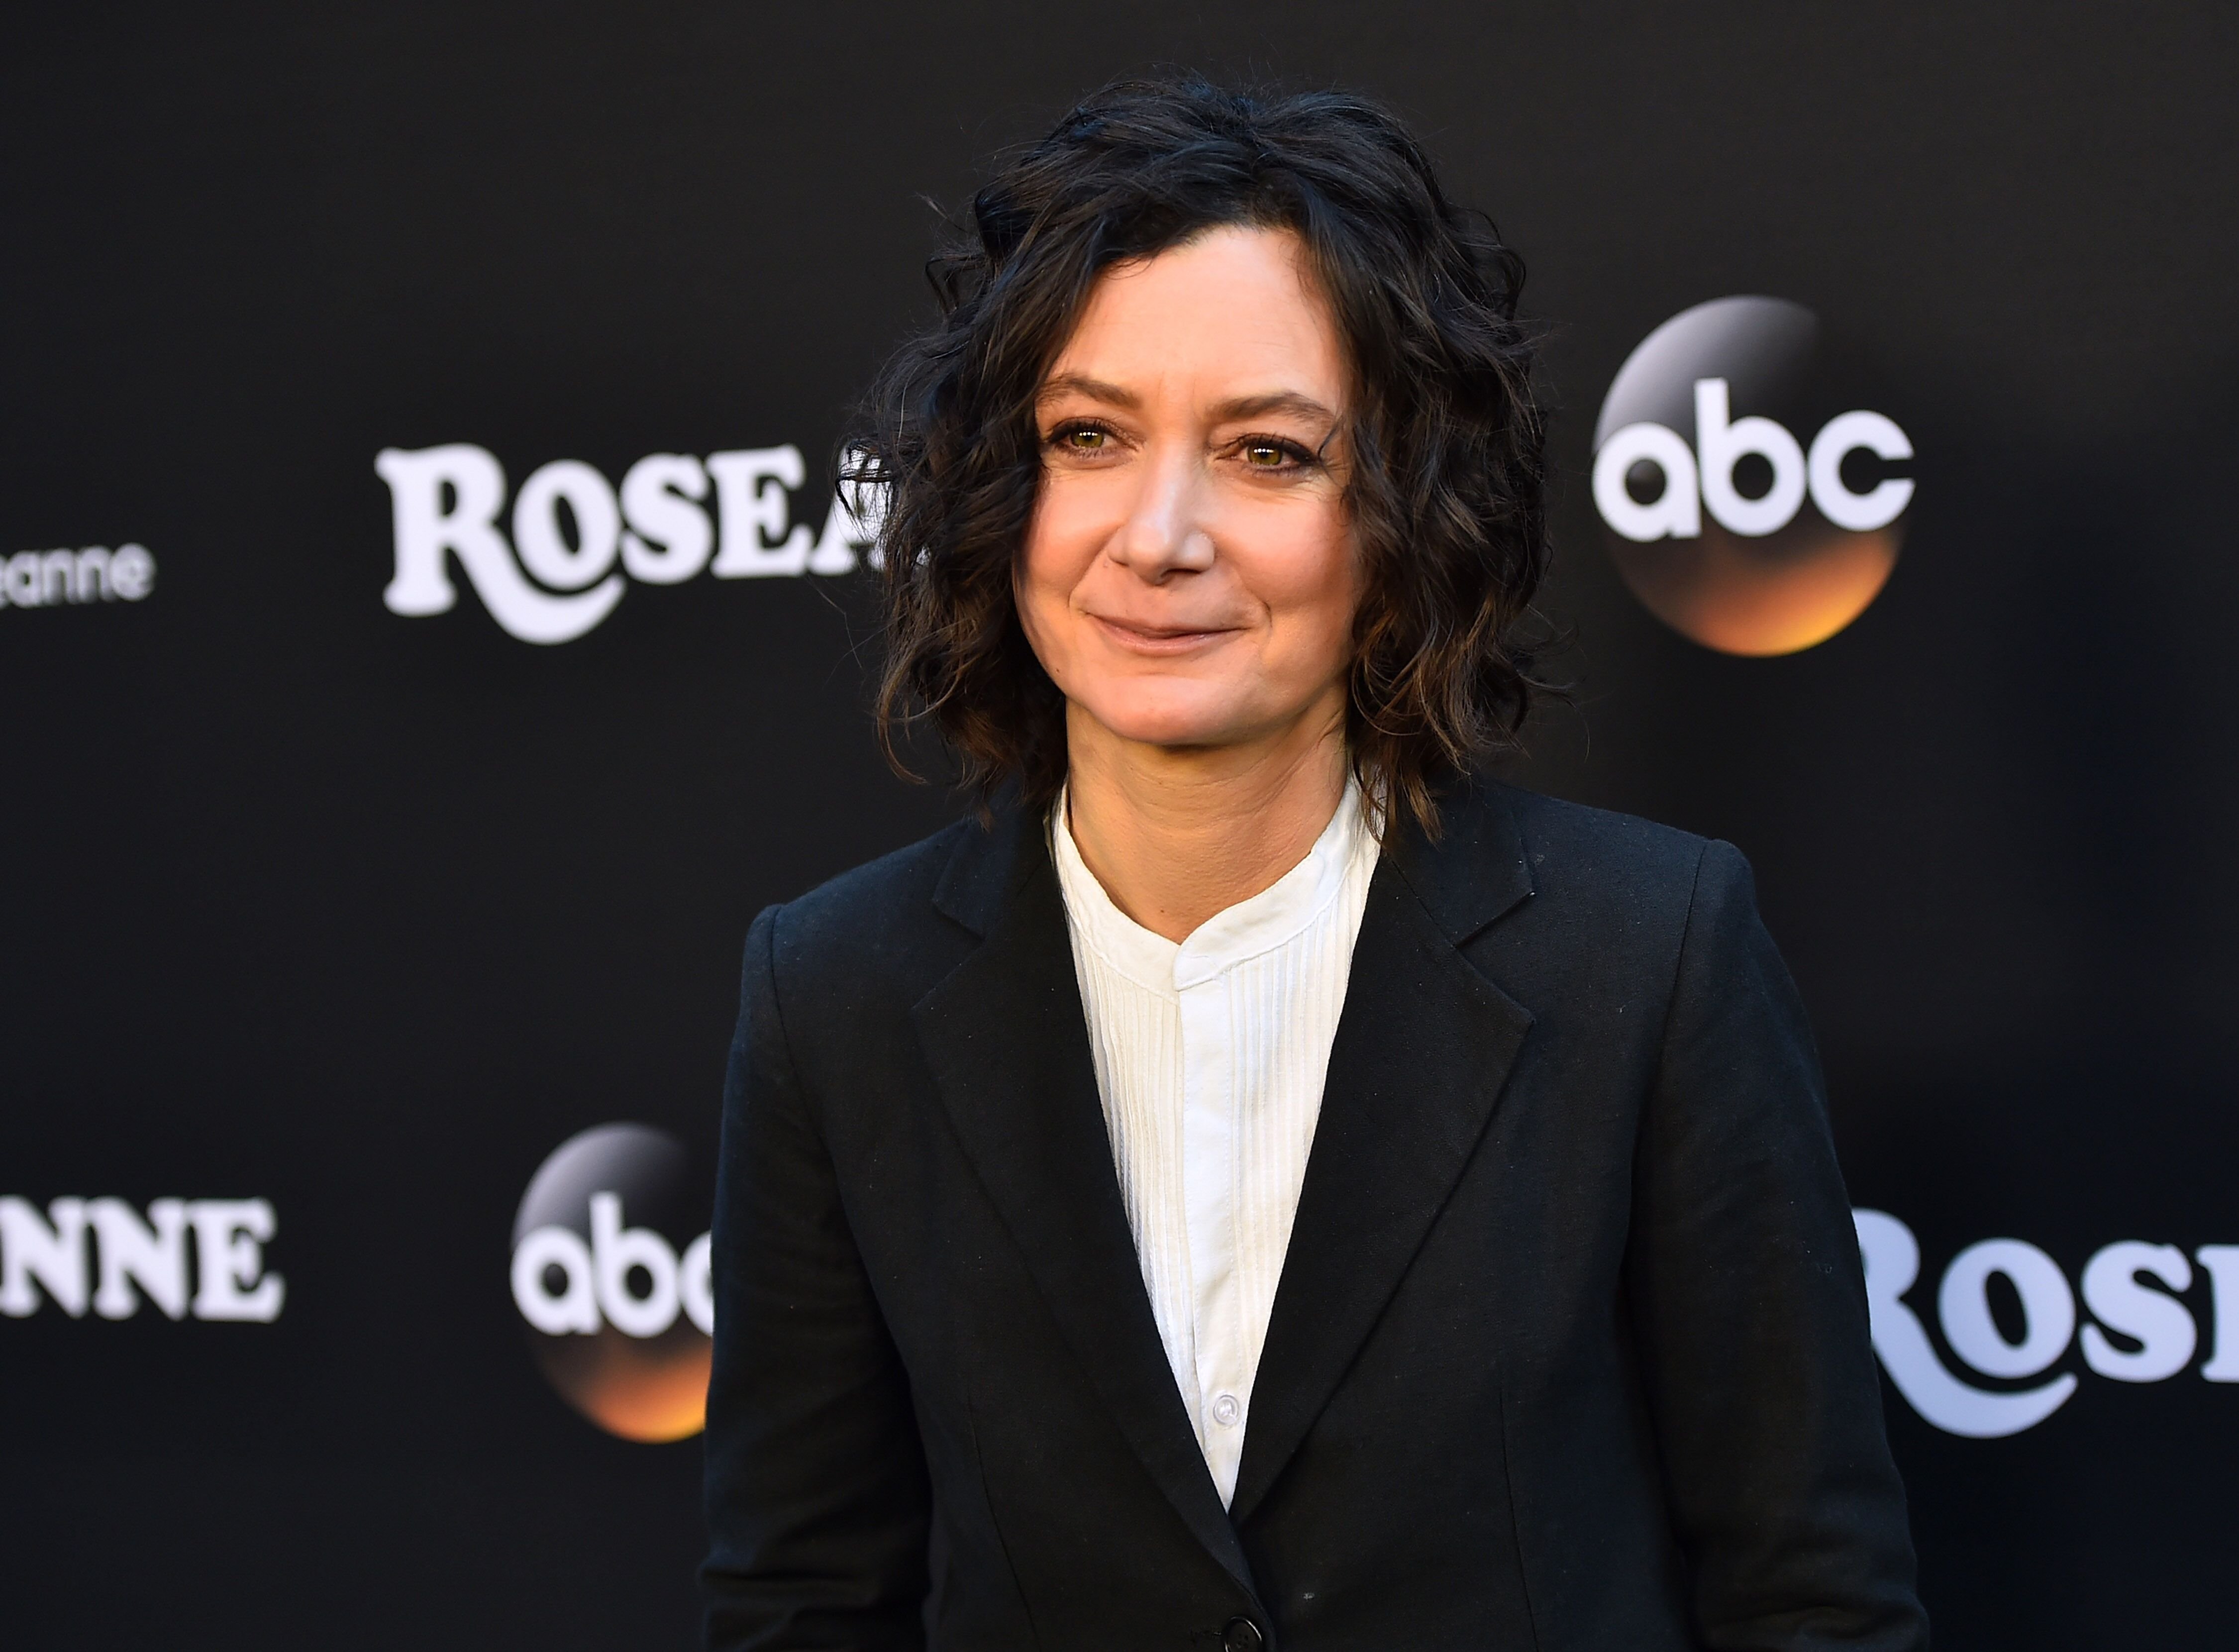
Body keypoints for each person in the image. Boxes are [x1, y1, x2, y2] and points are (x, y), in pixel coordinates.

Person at [702, 76, 1927, 1652]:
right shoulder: (835, 994)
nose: (1158, 533)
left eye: (1267, 454)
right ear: (1001, 492)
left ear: (1404, 512)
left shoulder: (1651, 955)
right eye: (1087, 437)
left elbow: (1808, 1597)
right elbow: (801, 1600)